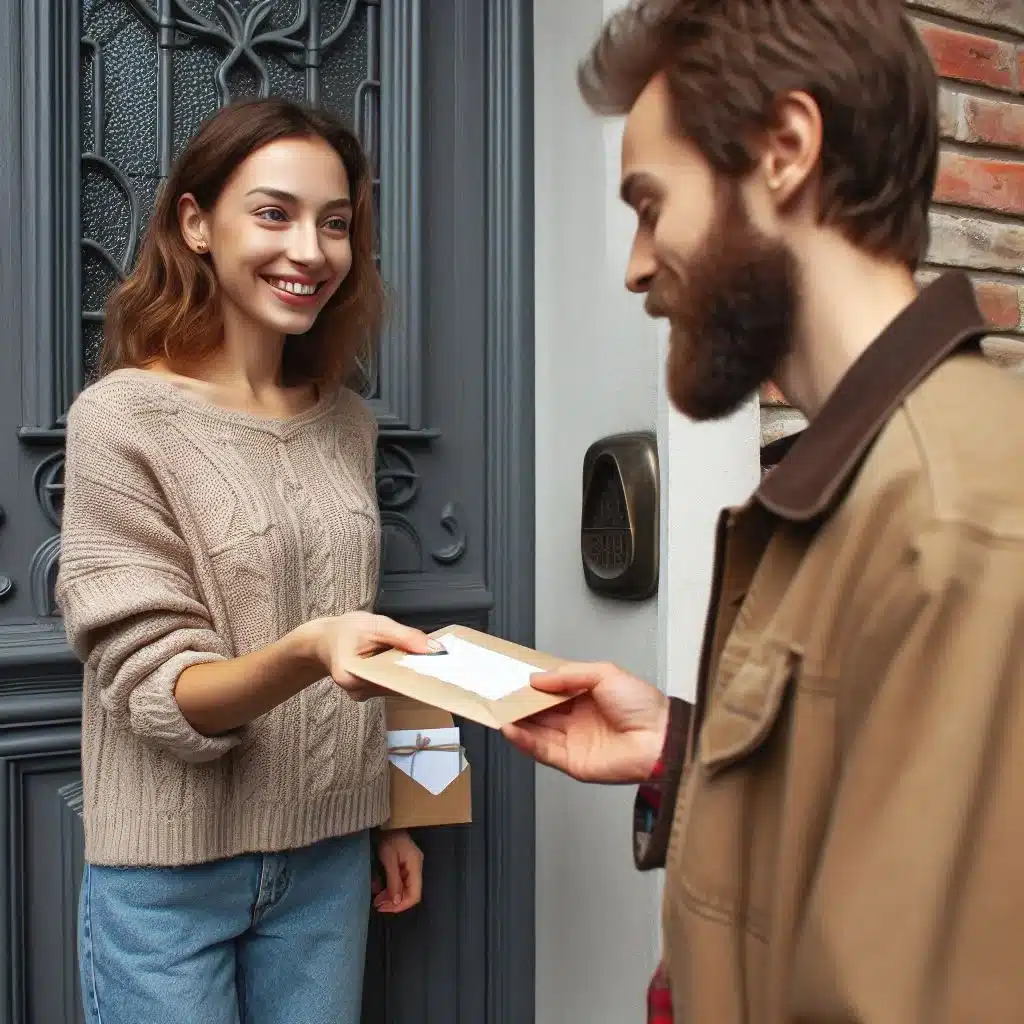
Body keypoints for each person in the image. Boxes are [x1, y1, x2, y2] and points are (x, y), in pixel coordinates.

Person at [502, 1, 1024, 1021]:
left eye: (651, 205)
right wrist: (681, 746)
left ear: (784, 150)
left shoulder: (960, 525)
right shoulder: (846, 484)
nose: (635, 266)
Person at [56, 98, 441, 1024]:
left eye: (335, 223)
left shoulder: (346, 421)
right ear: (196, 224)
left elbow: (368, 626)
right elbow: (158, 689)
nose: (309, 250)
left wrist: (402, 813)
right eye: (274, 213)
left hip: (332, 861)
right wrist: (310, 649)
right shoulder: (120, 420)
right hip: (168, 881)